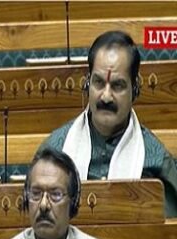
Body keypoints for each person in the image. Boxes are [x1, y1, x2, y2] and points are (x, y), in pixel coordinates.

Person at [40, 30, 177, 217]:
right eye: (98, 82)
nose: (105, 96)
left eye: (117, 85)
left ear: (135, 88)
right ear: (87, 84)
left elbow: (169, 232)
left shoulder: (156, 161)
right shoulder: (54, 152)